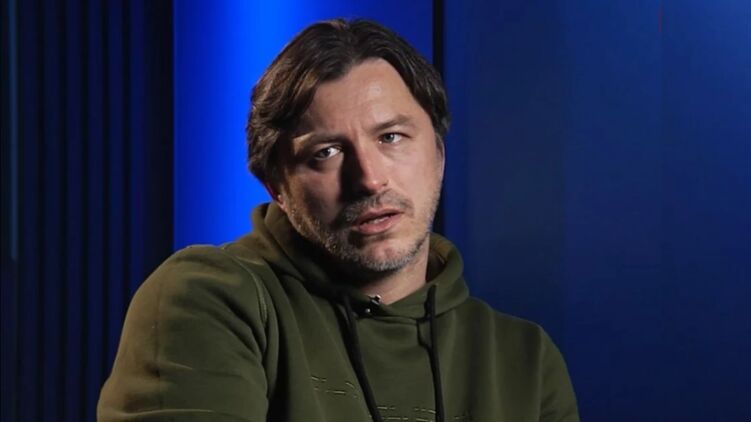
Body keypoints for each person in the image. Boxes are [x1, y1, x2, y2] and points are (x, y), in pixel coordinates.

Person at [98, 18, 579, 422]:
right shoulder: (209, 298)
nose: (368, 179)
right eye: (325, 152)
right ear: (276, 186)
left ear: (438, 152)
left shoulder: (525, 360)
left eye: (391, 137)